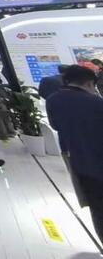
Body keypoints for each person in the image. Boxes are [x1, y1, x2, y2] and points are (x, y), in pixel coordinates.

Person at [46, 64, 103, 242]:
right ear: (89, 83)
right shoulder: (96, 103)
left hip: (78, 159)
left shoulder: (53, 100)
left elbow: (56, 126)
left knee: (97, 208)